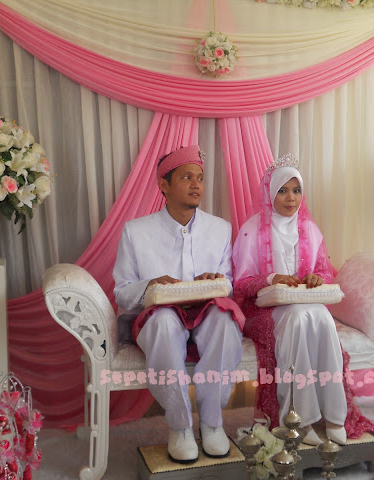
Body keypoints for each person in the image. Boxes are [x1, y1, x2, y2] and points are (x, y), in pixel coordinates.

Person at [113, 145, 244, 463]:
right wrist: (152, 284)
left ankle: (212, 422)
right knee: (163, 322)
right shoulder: (136, 232)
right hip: (158, 314)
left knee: (224, 320)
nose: (196, 184)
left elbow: (228, 284)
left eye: (200, 177)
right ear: (164, 185)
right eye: (186, 177)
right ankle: (180, 426)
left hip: (205, 311)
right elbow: (123, 292)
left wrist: (214, 280)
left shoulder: (220, 229)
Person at [232, 153, 347, 446]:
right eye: (282, 190)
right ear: (270, 192)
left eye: (296, 190)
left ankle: (334, 413)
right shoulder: (252, 229)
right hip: (264, 309)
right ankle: (299, 417)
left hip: (305, 304)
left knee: (323, 318)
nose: (290, 198)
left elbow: (325, 271)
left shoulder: (309, 228)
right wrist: (272, 278)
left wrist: (317, 278)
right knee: (297, 318)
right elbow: (240, 284)